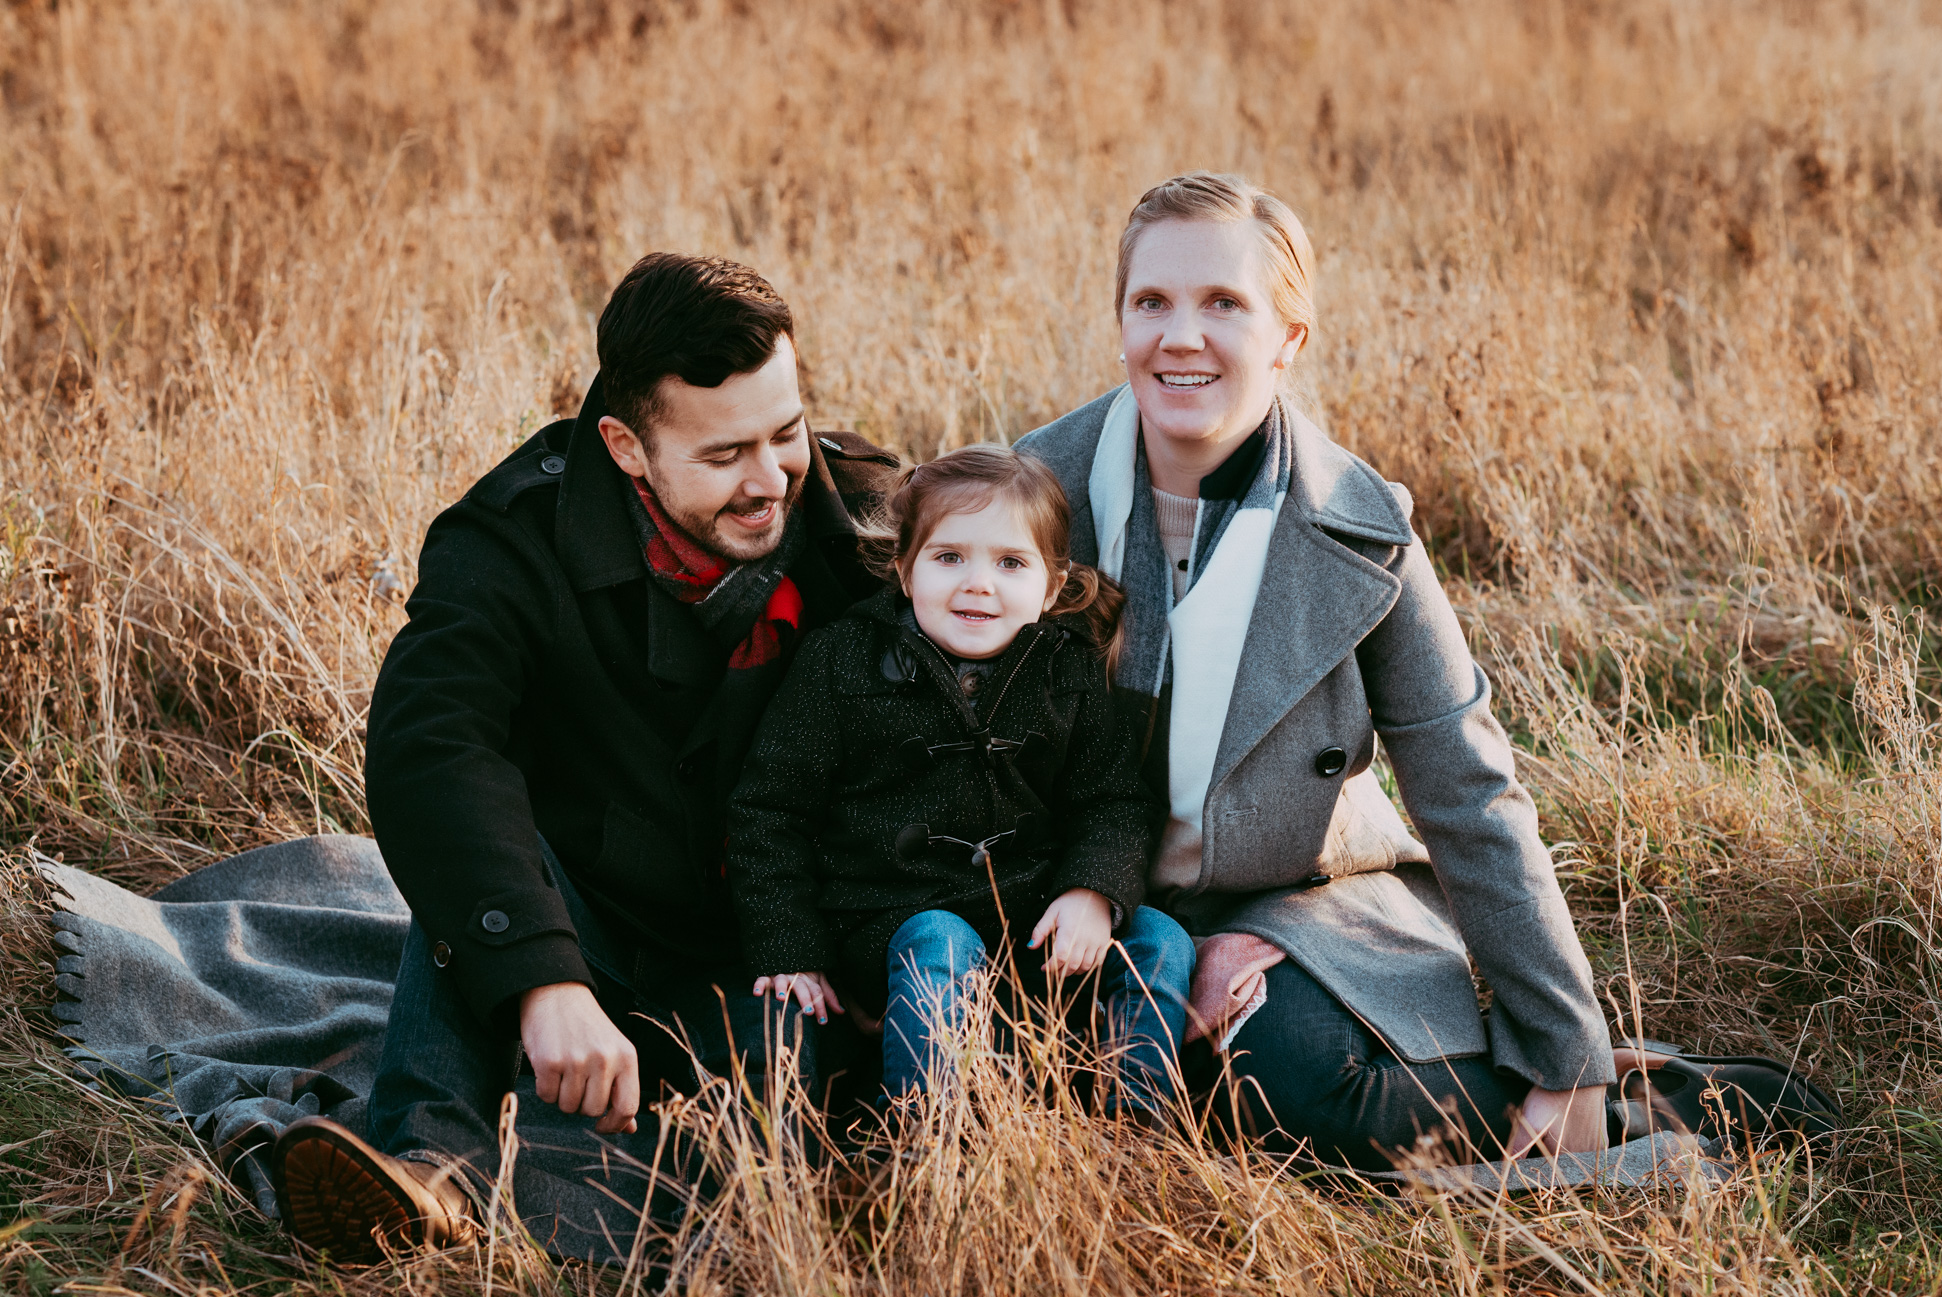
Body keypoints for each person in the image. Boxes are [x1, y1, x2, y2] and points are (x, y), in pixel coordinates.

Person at [270, 253, 897, 1261]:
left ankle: (556, 1208)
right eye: (727, 452)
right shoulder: (511, 537)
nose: (771, 478)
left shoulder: (870, 522)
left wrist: (877, 930)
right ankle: (428, 1172)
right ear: (626, 445)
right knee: (474, 874)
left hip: (775, 939)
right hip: (587, 908)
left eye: (785, 433)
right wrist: (541, 981)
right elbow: (435, 744)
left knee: (772, 1145)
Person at [1014, 172, 1618, 1170]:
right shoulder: (1029, 495)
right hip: (1065, 894)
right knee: (1036, 1070)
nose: (1181, 337)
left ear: (1289, 338)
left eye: (1225, 304)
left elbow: (1467, 787)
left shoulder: (1361, 532)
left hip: (1293, 894)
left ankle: (1635, 1097)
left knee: (1283, 1080)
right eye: (1151, 301)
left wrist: (1568, 1057)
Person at [725, 445, 1195, 1117]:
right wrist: (791, 946)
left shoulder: (1068, 668)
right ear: (904, 569)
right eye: (949, 557)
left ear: (1052, 585)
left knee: (1160, 940)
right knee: (939, 940)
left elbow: (1112, 798)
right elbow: (770, 811)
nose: (978, 583)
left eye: (1010, 563)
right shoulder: (842, 660)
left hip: (1035, 924)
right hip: (893, 923)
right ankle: (935, 1140)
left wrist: (1093, 890)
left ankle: (1132, 1129)